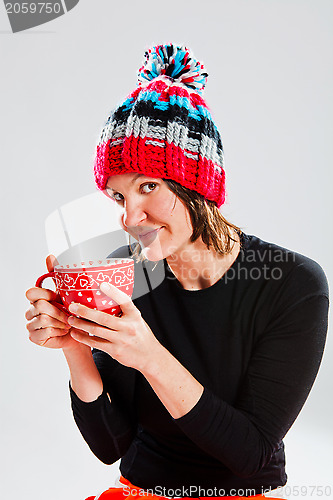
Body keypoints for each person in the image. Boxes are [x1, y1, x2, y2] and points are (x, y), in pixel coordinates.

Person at [25, 44, 329, 500]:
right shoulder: (124, 270)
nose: (130, 218)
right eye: (119, 196)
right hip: (138, 491)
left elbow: (251, 454)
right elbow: (111, 445)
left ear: (199, 186)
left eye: (149, 186)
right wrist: (75, 349)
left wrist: (148, 356)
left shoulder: (293, 284)